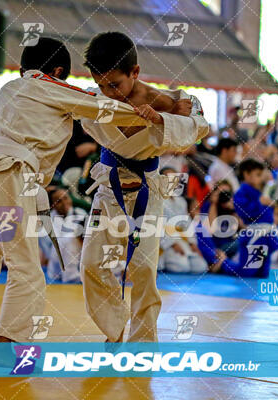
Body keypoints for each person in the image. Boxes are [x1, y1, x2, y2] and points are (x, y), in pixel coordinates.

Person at [0, 37, 158, 365]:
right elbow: (100, 106)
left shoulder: (8, 91)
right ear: (58, 71)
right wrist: (148, 113)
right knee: (26, 267)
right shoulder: (49, 84)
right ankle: (7, 345)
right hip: (11, 173)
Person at [79, 31, 209, 342]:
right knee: (91, 264)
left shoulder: (165, 101)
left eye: (115, 85)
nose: (108, 93)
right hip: (108, 187)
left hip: (147, 190)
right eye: (101, 85)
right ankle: (114, 326)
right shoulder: (93, 99)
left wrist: (162, 120)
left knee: (143, 271)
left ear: (135, 73)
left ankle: (143, 341)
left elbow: (201, 126)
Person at [158, 167, 207, 274]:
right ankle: (166, 261)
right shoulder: (157, 200)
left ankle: (183, 257)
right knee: (182, 267)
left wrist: (192, 243)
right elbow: (157, 226)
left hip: (181, 240)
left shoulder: (181, 202)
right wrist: (172, 244)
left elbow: (187, 225)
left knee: (201, 266)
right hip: (165, 242)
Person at [233, 159, 273, 226]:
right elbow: (245, 213)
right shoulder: (240, 194)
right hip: (253, 230)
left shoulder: (258, 192)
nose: (261, 178)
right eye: (258, 175)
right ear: (246, 174)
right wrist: (260, 203)